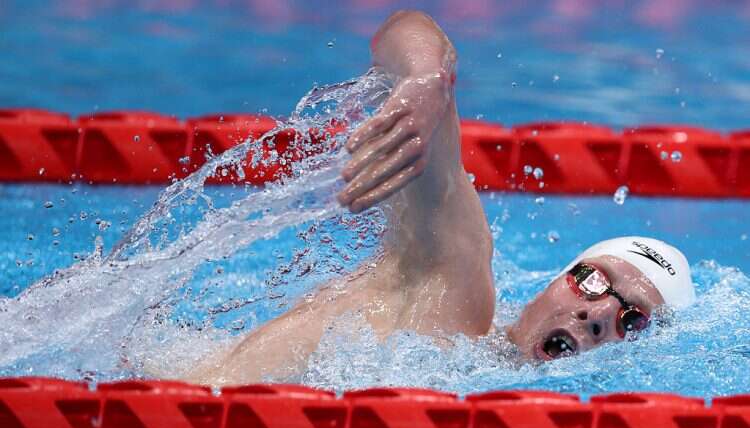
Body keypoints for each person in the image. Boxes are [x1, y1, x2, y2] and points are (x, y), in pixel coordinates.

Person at [186, 10, 695, 385]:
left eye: (633, 320)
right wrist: (427, 77)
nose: (599, 314)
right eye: (592, 281)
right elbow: (405, 28)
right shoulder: (452, 291)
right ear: (555, 279)